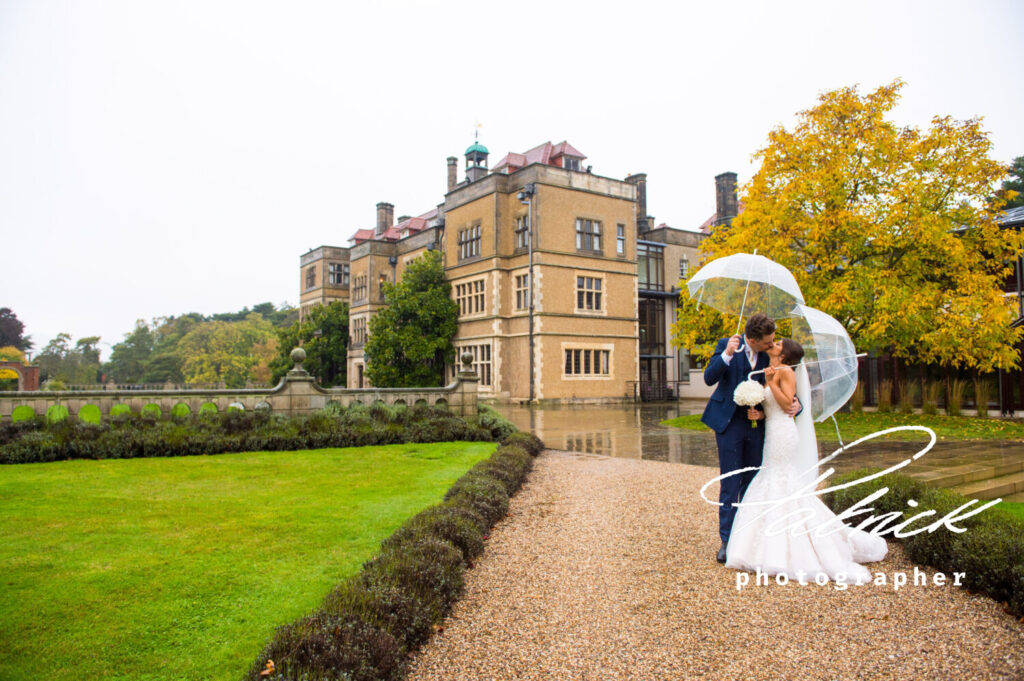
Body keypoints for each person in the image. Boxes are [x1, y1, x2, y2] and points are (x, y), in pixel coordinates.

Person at [724, 338, 888, 583]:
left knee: (779, 480)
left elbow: (787, 402)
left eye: (778, 343)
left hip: (783, 435)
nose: (773, 344)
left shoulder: (786, 372)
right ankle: (760, 547)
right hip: (772, 430)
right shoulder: (772, 370)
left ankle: (785, 549)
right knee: (771, 479)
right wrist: (758, 412)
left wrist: (770, 383)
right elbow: (772, 406)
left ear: (786, 353)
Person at [701, 313, 801, 564]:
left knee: (753, 481)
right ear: (753, 340)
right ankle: (727, 540)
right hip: (728, 424)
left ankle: (748, 538)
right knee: (730, 483)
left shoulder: (772, 354)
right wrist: (727, 355)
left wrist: (797, 406)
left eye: (773, 341)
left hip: (758, 425)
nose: (772, 345)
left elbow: (788, 386)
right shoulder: (727, 345)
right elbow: (709, 378)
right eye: (767, 342)